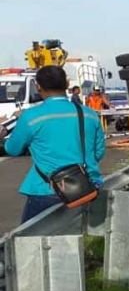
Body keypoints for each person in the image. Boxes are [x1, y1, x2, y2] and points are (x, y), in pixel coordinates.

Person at [2, 66, 105, 223]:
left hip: (46, 189)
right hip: (87, 187)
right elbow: (98, 153)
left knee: (29, 241)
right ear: (67, 83)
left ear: (38, 87)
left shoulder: (31, 117)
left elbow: (13, 149)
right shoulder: (89, 114)